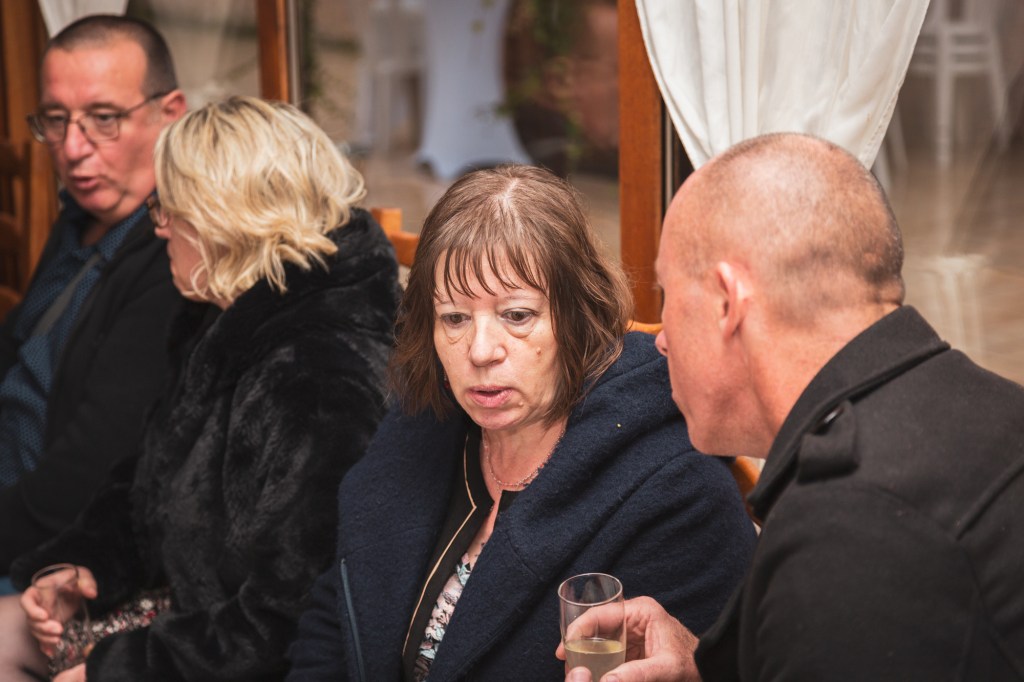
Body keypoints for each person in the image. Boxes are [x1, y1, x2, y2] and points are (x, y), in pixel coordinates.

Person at [560, 132, 1024, 681]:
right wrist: (701, 665)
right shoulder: (989, 405)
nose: (660, 339)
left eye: (668, 296)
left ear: (728, 302)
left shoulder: (848, 544)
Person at [287, 164, 757, 681]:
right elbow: (336, 620)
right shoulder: (420, 426)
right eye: (454, 318)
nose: (480, 351)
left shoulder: (675, 492)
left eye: (517, 316)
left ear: (579, 319)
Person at [0, 96, 400, 680]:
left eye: (167, 208)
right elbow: (152, 479)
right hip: (194, 618)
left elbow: (286, 624)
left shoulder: (316, 378)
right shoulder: (226, 315)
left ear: (222, 221)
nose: (157, 225)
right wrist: (88, 566)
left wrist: (111, 671)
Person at [0, 15, 186, 585]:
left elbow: (85, 478)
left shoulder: (176, 255)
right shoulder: (81, 217)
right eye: (56, 120)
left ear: (170, 113)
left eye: (104, 119)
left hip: (41, 552)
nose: (73, 149)